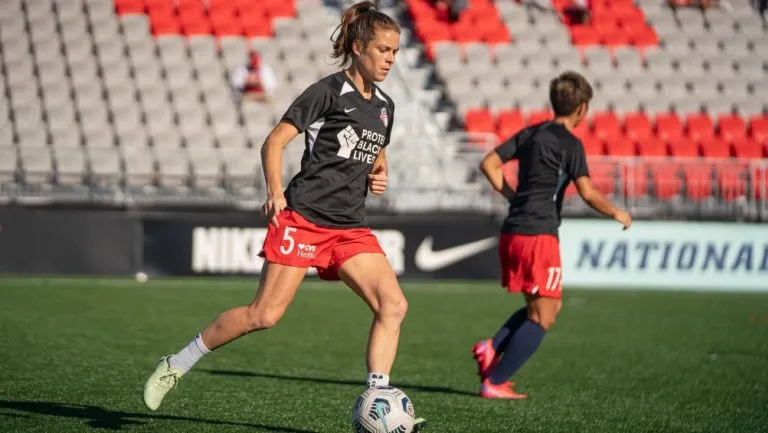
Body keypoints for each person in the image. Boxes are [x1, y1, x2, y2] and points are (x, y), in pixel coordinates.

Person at [143, 3, 425, 428]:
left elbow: (375, 153)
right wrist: (276, 194)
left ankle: (378, 401)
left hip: (349, 228)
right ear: (356, 48)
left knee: (394, 305)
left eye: (395, 51)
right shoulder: (326, 92)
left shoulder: (385, 105)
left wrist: (378, 174)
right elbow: (274, 143)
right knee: (264, 316)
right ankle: (176, 363)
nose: (390, 58)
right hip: (306, 218)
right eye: (382, 50)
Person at [472, 71, 632, 399]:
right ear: (582, 109)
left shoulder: (532, 133)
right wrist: (616, 211)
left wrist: (514, 197)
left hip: (513, 231)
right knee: (544, 316)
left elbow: (489, 163)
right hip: (538, 235)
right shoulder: (570, 144)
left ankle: (492, 347)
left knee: (540, 307)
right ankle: (495, 381)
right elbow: (587, 193)